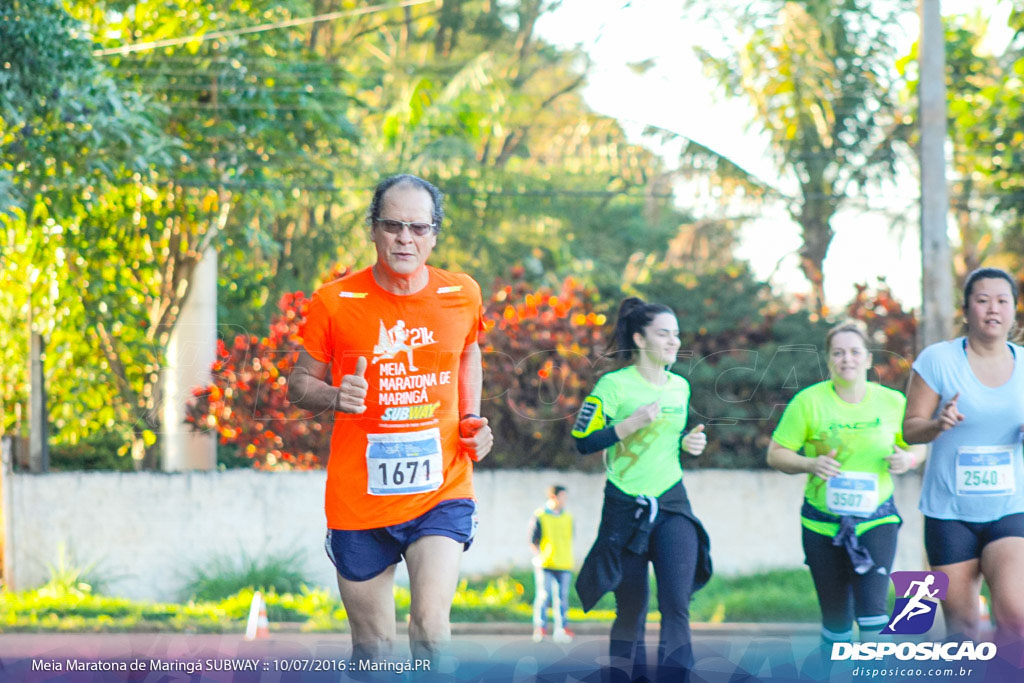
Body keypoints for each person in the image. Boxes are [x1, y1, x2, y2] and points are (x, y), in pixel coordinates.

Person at [287, 173, 494, 664]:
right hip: (359, 500)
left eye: (418, 228)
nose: (405, 238)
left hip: (441, 489)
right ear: (373, 229)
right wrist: (336, 395)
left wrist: (471, 417)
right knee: (374, 650)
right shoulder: (335, 302)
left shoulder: (461, 294)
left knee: (430, 628)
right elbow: (297, 386)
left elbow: (469, 353)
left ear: (435, 234)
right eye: (393, 225)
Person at [573, 297, 712, 682]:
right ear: (639, 338)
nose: (673, 341)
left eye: (676, 334)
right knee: (632, 607)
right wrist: (629, 425)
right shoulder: (613, 385)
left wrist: (688, 444)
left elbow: (670, 439)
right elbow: (582, 440)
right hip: (625, 506)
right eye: (664, 334)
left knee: (676, 605)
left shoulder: (680, 387)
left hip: (672, 502)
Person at [767, 319, 923, 645]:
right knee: (836, 624)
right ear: (828, 360)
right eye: (838, 353)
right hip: (822, 525)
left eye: (854, 352)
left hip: (876, 519)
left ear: (868, 359)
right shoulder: (808, 402)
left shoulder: (892, 402)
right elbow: (776, 454)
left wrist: (906, 460)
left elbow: (919, 446)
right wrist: (809, 463)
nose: (846, 359)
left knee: (873, 615)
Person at [903, 267, 1024, 641]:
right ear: (966, 308)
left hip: (1010, 508)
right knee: (963, 627)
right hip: (949, 514)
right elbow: (909, 428)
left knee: (1014, 614)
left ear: (1013, 310)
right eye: (982, 300)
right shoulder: (938, 360)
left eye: (1002, 301)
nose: (993, 309)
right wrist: (938, 424)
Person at [529, 484, 575, 643]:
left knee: (562, 598)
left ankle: (562, 628)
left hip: (564, 563)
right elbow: (533, 540)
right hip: (546, 563)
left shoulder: (568, 517)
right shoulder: (541, 515)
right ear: (553, 497)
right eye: (562, 497)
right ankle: (540, 628)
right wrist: (539, 556)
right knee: (543, 596)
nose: (565, 500)